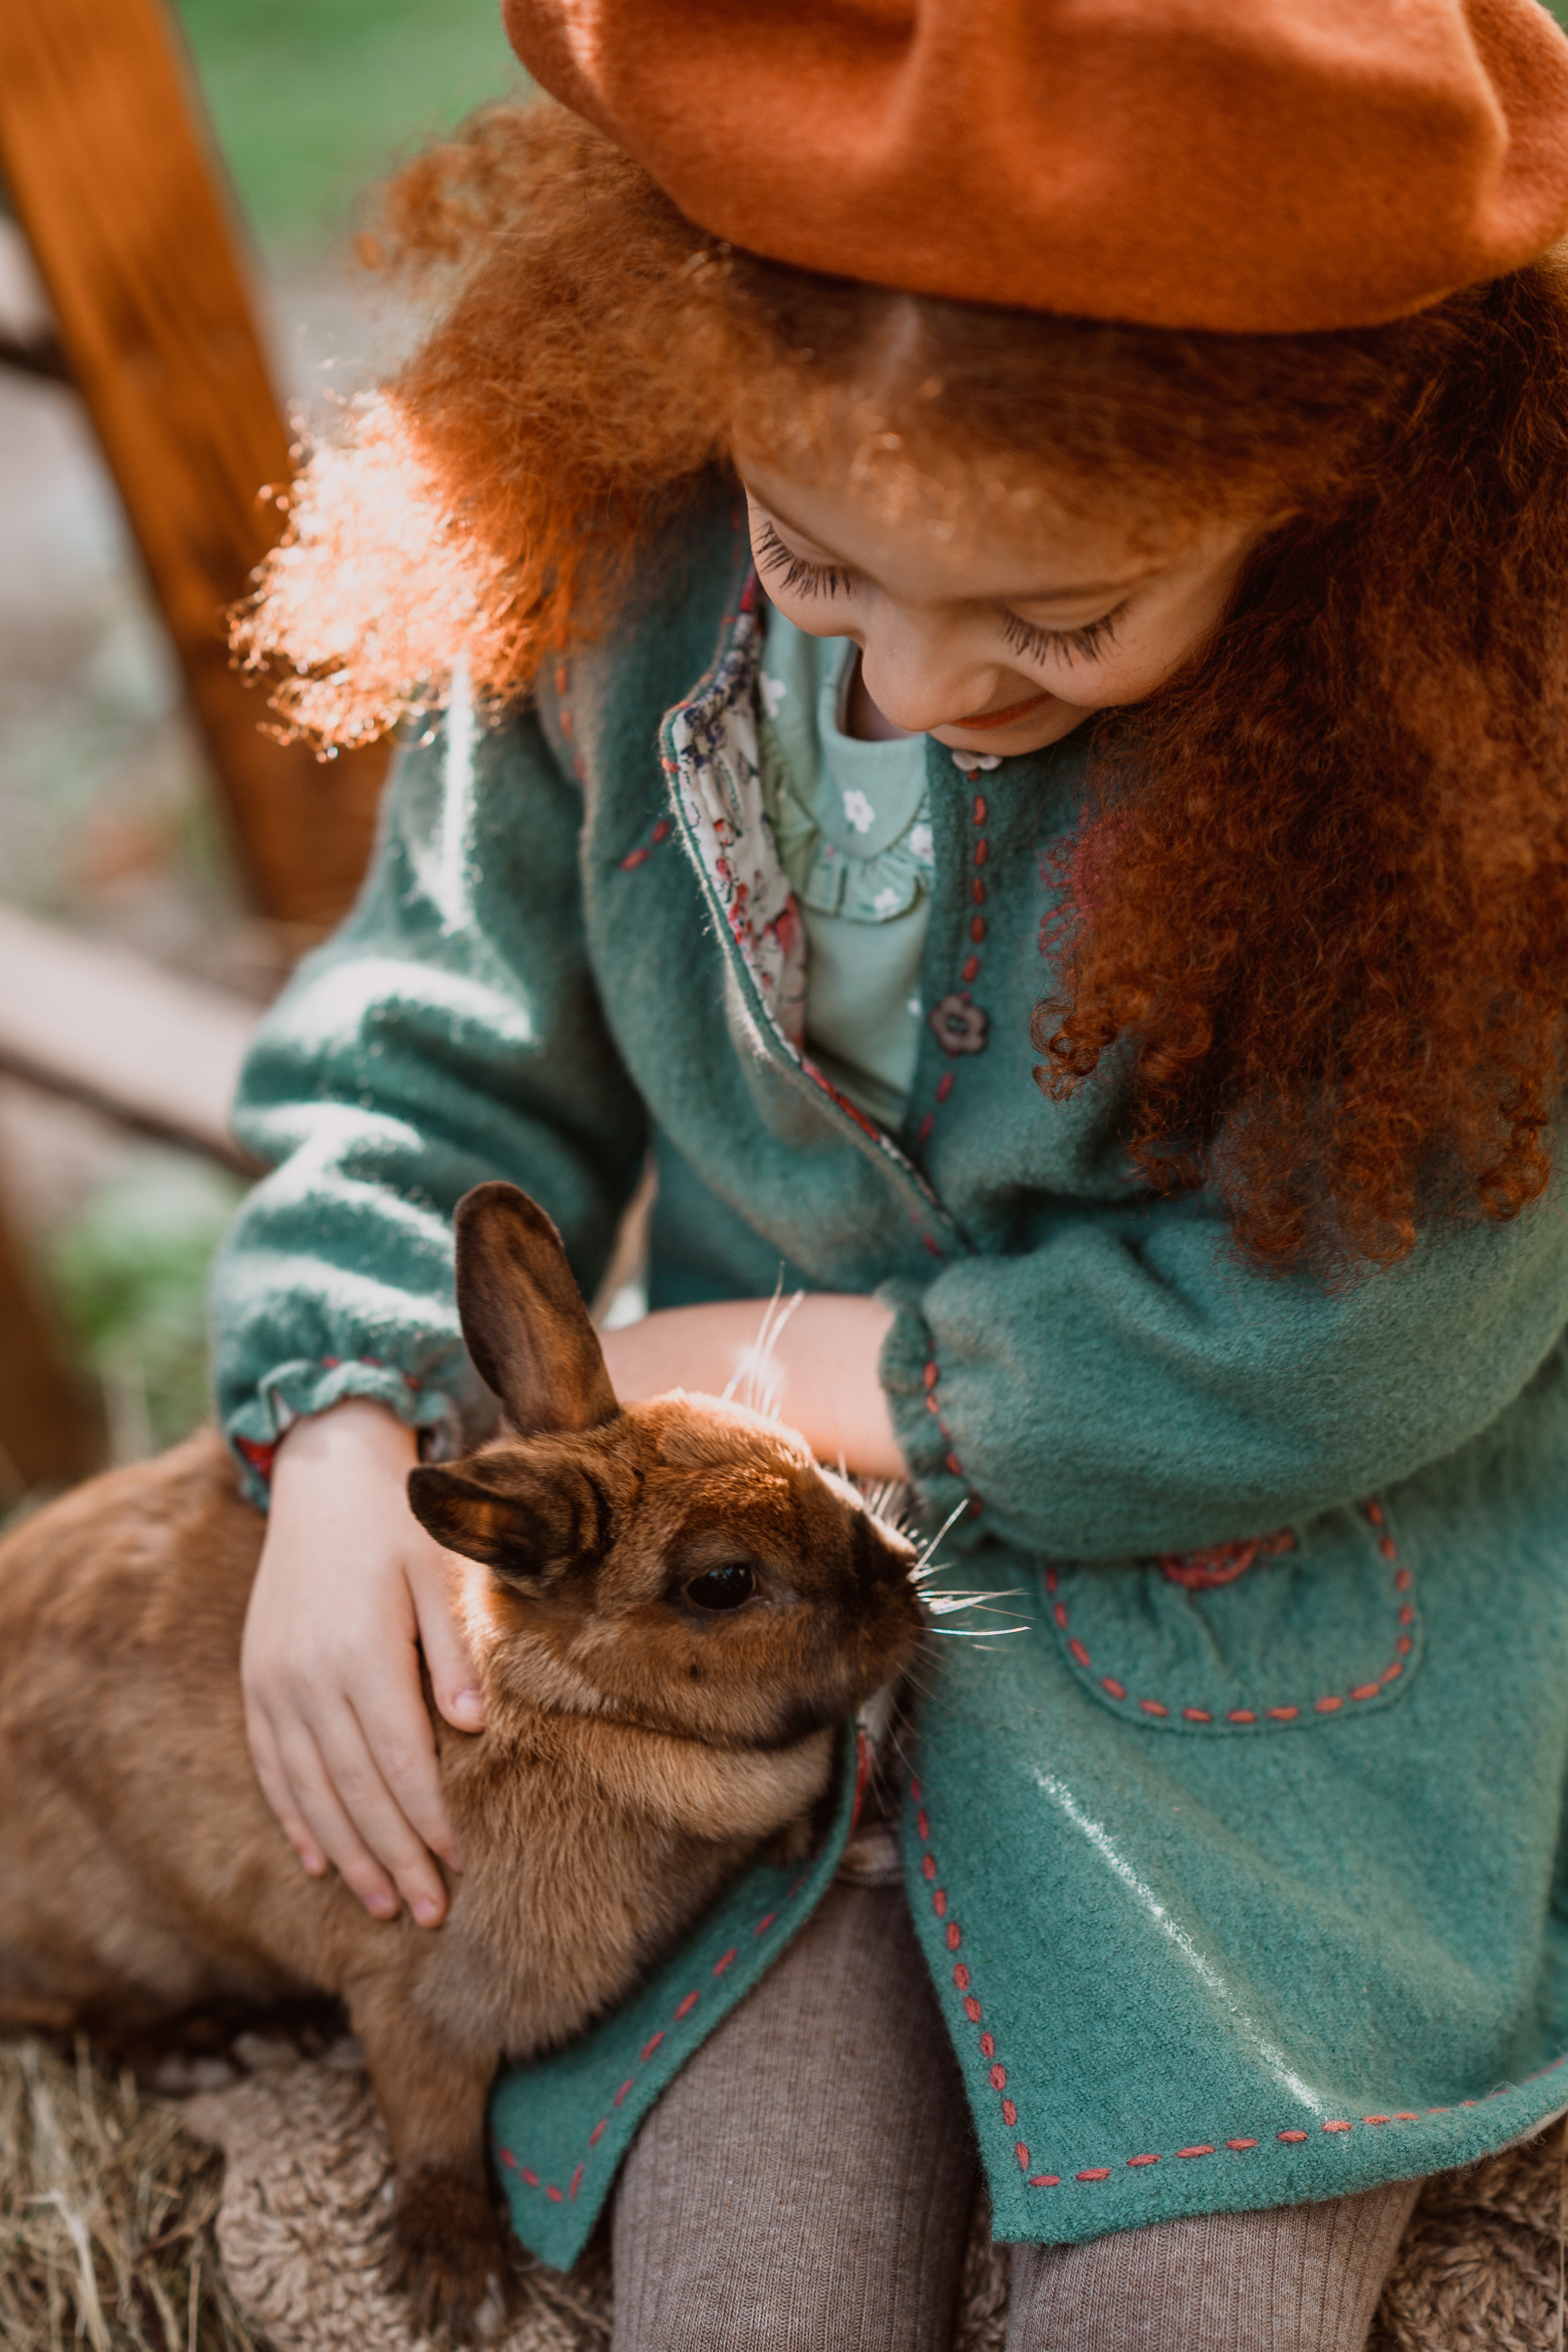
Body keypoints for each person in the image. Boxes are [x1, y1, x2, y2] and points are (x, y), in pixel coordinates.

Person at [215, 4, 1568, 2344]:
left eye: (1063, 614)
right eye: (815, 556)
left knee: (1190, 2284)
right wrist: (338, 1432)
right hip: (731, 1687)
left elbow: (1372, 1328)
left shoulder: (1442, 771)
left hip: (1252, 1651)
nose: (927, 689)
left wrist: (760, 1359)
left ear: (1348, 502)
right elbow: (426, 1040)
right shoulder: (608, 569)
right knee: (747, 2279)